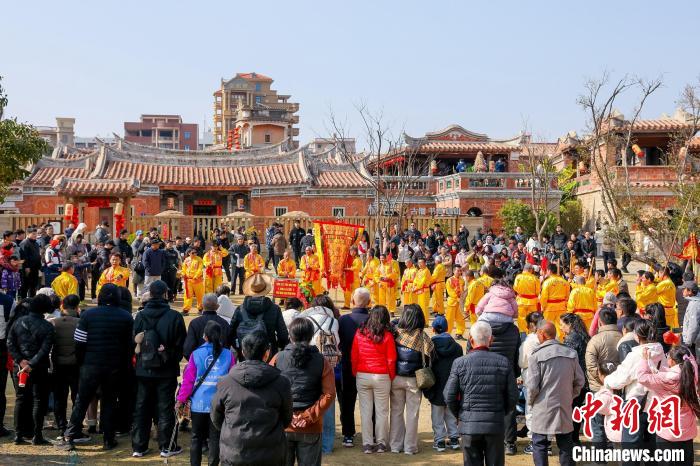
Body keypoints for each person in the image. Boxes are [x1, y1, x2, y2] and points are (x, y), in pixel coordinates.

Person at [59, 284, 133, 450]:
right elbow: (129, 346)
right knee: (109, 401)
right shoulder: (126, 317)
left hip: (90, 365)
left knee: (82, 400)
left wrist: (82, 361)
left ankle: (69, 436)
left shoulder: (87, 315)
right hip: (114, 366)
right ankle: (108, 438)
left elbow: (79, 342)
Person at [211, 331, 292, 465]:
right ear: (267, 353)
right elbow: (286, 417)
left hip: (234, 452)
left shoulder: (225, 382)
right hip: (270, 454)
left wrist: (231, 430)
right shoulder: (282, 382)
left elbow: (215, 416)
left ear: (243, 351)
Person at [444, 321, 518, 466]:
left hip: (469, 425)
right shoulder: (503, 362)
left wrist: (460, 414)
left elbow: (449, 396)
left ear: (471, 340)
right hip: (495, 424)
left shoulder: (459, 363)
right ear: (491, 340)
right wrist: (501, 414)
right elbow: (513, 396)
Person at [131, 280, 187, 458]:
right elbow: (181, 345)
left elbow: (134, 340)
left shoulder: (139, 316)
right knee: (165, 406)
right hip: (166, 369)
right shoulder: (175, 317)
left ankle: (139, 446)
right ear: (165, 294)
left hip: (143, 368)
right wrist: (169, 358)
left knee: (142, 406)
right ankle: (166, 446)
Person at [271, 318, 335, 466]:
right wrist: (308, 416)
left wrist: (287, 415)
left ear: (290, 335)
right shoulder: (321, 361)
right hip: (310, 427)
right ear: (311, 336)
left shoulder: (278, 358)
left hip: (283, 424)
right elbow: (329, 394)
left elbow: (269, 390)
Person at [603, 320, 666, 466]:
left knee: (631, 450)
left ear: (637, 336)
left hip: (635, 407)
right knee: (652, 449)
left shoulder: (635, 355)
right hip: (656, 406)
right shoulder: (661, 352)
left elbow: (619, 380)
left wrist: (606, 380)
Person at [526, 320, 585, 466]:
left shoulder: (536, 356)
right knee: (566, 443)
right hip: (564, 404)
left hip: (542, 405)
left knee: (539, 443)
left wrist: (530, 402)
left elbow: (532, 387)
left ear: (542, 334)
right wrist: (569, 395)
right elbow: (580, 381)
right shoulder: (570, 353)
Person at [177, 321, 235, 466]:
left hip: (199, 403)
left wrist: (181, 399)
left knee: (196, 437)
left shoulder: (196, 354)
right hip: (219, 404)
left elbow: (188, 381)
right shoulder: (228, 355)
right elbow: (232, 380)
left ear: (205, 336)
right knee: (215, 438)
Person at [638, 344, 699, 466]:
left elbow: (642, 377)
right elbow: (691, 360)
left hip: (667, 433)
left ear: (671, 360)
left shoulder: (664, 378)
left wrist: (644, 359)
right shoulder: (692, 375)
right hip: (686, 433)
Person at [7, 294, 55, 445]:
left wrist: (21, 361)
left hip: (19, 367)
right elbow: (45, 349)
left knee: (21, 399)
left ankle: (18, 434)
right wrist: (31, 364)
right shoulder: (47, 326)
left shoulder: (18, 322)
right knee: (39, 400)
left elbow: (10, 343)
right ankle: (37, 435)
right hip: (38, 367)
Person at [351, 305, 396, 454]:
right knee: (382, 412)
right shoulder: (388, 336)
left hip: (363, 374)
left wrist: (355, 372)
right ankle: (382, 443)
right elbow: (391, 359)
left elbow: (354, 356)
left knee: (365, 411)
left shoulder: (360, 332)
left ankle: (367, 444)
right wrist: (391, 376)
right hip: (382, 376)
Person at [389, 304, 432, 454]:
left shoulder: (395, 334)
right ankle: (410, 447)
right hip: (414, 380)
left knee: (396, 412)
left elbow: (391, 323)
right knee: (412, 414)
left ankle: (395, 446)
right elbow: (430, 355)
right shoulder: (422, 336)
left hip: (396, 378)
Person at [337, 287, 370, 448]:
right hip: (369, 367)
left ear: (351, 302)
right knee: (369, 402)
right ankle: (372, 434)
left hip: (347, 366)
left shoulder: (343, 320)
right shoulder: (373, 320)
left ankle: (348, 434)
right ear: (369, 303)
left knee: (346, 402)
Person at [423, 315, 463, 452]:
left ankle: (439, 440)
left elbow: (427, 366)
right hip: (452, 385)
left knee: (437, 415)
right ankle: (454, 438)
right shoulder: (457, 347)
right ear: (448, 328)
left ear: (433, 330)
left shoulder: (430, 346)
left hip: (436, 386)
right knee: (451, 413)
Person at [583, 307, 621, 448]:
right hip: (619, 387)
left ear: (599, 321)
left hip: (598, 388)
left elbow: (591, 367)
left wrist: (604, 381)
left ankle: (600, 459)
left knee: (597, 423)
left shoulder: (595, 341)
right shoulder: (623, 337)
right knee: (618, 420)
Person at [230, 273, 289, 359]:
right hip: (268, 354)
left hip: (246, 354)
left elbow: (231, 333)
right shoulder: (275, 309)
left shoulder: (240, 309)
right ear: (265, 289)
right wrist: (278, 348)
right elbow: (283, 335)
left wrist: (240, 349)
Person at [49, 294, 81, 439]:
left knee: (59, 397)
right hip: (75, 364)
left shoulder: (54, 323)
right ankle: (75, 426)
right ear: (77, 306)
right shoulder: (80, 323)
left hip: (58, 364)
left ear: (62, 305)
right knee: (77, 397)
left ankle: (61, 425)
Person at [559, 313, 590, 445]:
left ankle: (571, 440)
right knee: (577, 410)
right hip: (585, 379)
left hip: (576, 379)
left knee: (571, 410)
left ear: (570, 324)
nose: (560, 328)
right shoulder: (584, 336)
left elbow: (567, 361)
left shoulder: (571, 339)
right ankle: (575, 439)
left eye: (562, 324)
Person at [183, 293, 232, 360]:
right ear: (217, 306)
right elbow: (228, 345)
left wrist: (195, 362)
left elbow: (188, 349)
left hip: (200, 363)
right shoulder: (224, 323)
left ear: (202, 305)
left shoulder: (194, 323)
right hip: (221, 364)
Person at [540, 263, 571, 335]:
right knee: (561, 326)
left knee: (547, 327)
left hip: (549, 308)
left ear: (549, 271)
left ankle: (548, 342)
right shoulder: (564, 281)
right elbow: (568, 296)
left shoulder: (547, 282)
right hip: (561, 307)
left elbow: (544, 297)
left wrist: (543, 307)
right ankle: (562, 342)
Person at [513, 263, 540, 332]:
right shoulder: (535, 278)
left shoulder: (518, 277)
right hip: (532, 302)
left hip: (521, 301)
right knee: (532, 319)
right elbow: (537, 291)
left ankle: (523, 334)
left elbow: (515, 288)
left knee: (522, 319)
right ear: (530, 270)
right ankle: (531, 333)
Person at [18, 228, 41, 298]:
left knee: (33, 286)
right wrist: (27, 267)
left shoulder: (36, 243)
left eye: (36, 233)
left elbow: (37, 255)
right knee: (25, 286)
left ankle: (32, 300)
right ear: (28, 234)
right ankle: (23, 301)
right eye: (33, 234)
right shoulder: (24, 243)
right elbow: (24, 256)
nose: (35, 235)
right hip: (28, 268)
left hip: (35, 268)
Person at [182, 248, 205, 315]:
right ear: (189, 253)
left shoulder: (199, 260)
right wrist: (183, 273)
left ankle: (200, 309)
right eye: (193, 253)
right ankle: (186, 309)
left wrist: (196, 276)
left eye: (195, 252)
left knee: (200, 295)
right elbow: (184, 268)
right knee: (187, 295)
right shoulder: (186, 260)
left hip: (197, 280)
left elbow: (200, 269)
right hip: (188, 281)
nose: (194, 254)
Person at [445, 265, 465, 336]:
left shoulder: (462, 280)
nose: (459, 272)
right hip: (452, 302)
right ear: (453, 271)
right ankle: (447, 333)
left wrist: (462, 299)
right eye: (458, 271)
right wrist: (458, 298)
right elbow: (450, 292)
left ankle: (459, 333)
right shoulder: (449, 280)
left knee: (461, 318)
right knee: (449, 319)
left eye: (460, 271)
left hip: (460, 303)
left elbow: (463, 291)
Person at [681, 281, 700, 356]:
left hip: (693, 341)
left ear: (690, 291)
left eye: (684, 289)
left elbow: (693, 325)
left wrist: (688, 342)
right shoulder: (694, 300)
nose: (682, 291)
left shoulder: (694, 305)